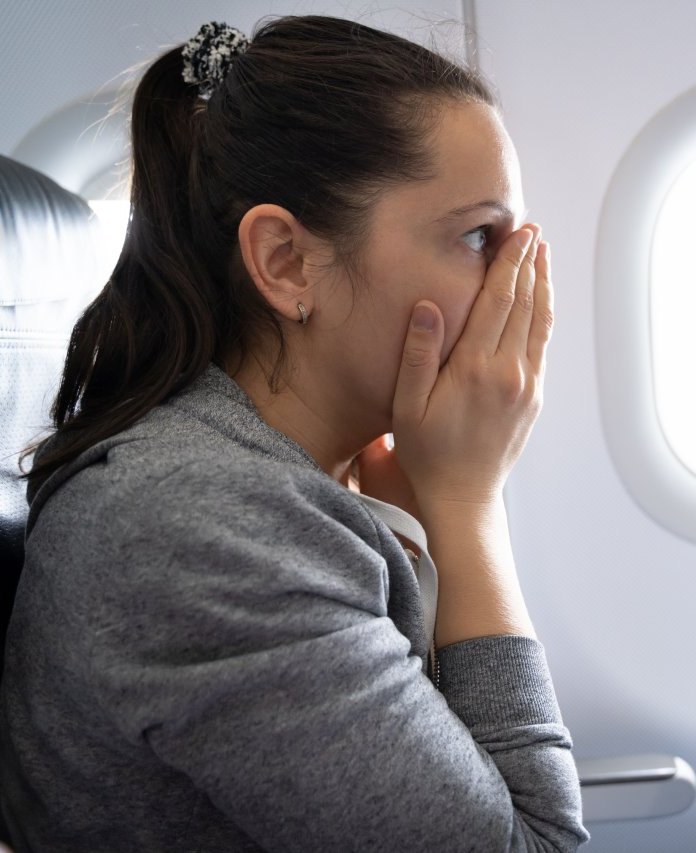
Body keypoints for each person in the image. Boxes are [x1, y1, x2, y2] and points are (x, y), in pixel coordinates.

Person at [0, 15, 588, 852]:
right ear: (285, 261)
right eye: (477, 236)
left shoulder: (296, 482)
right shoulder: (195, 526)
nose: (518, 284)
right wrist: (467, 506)